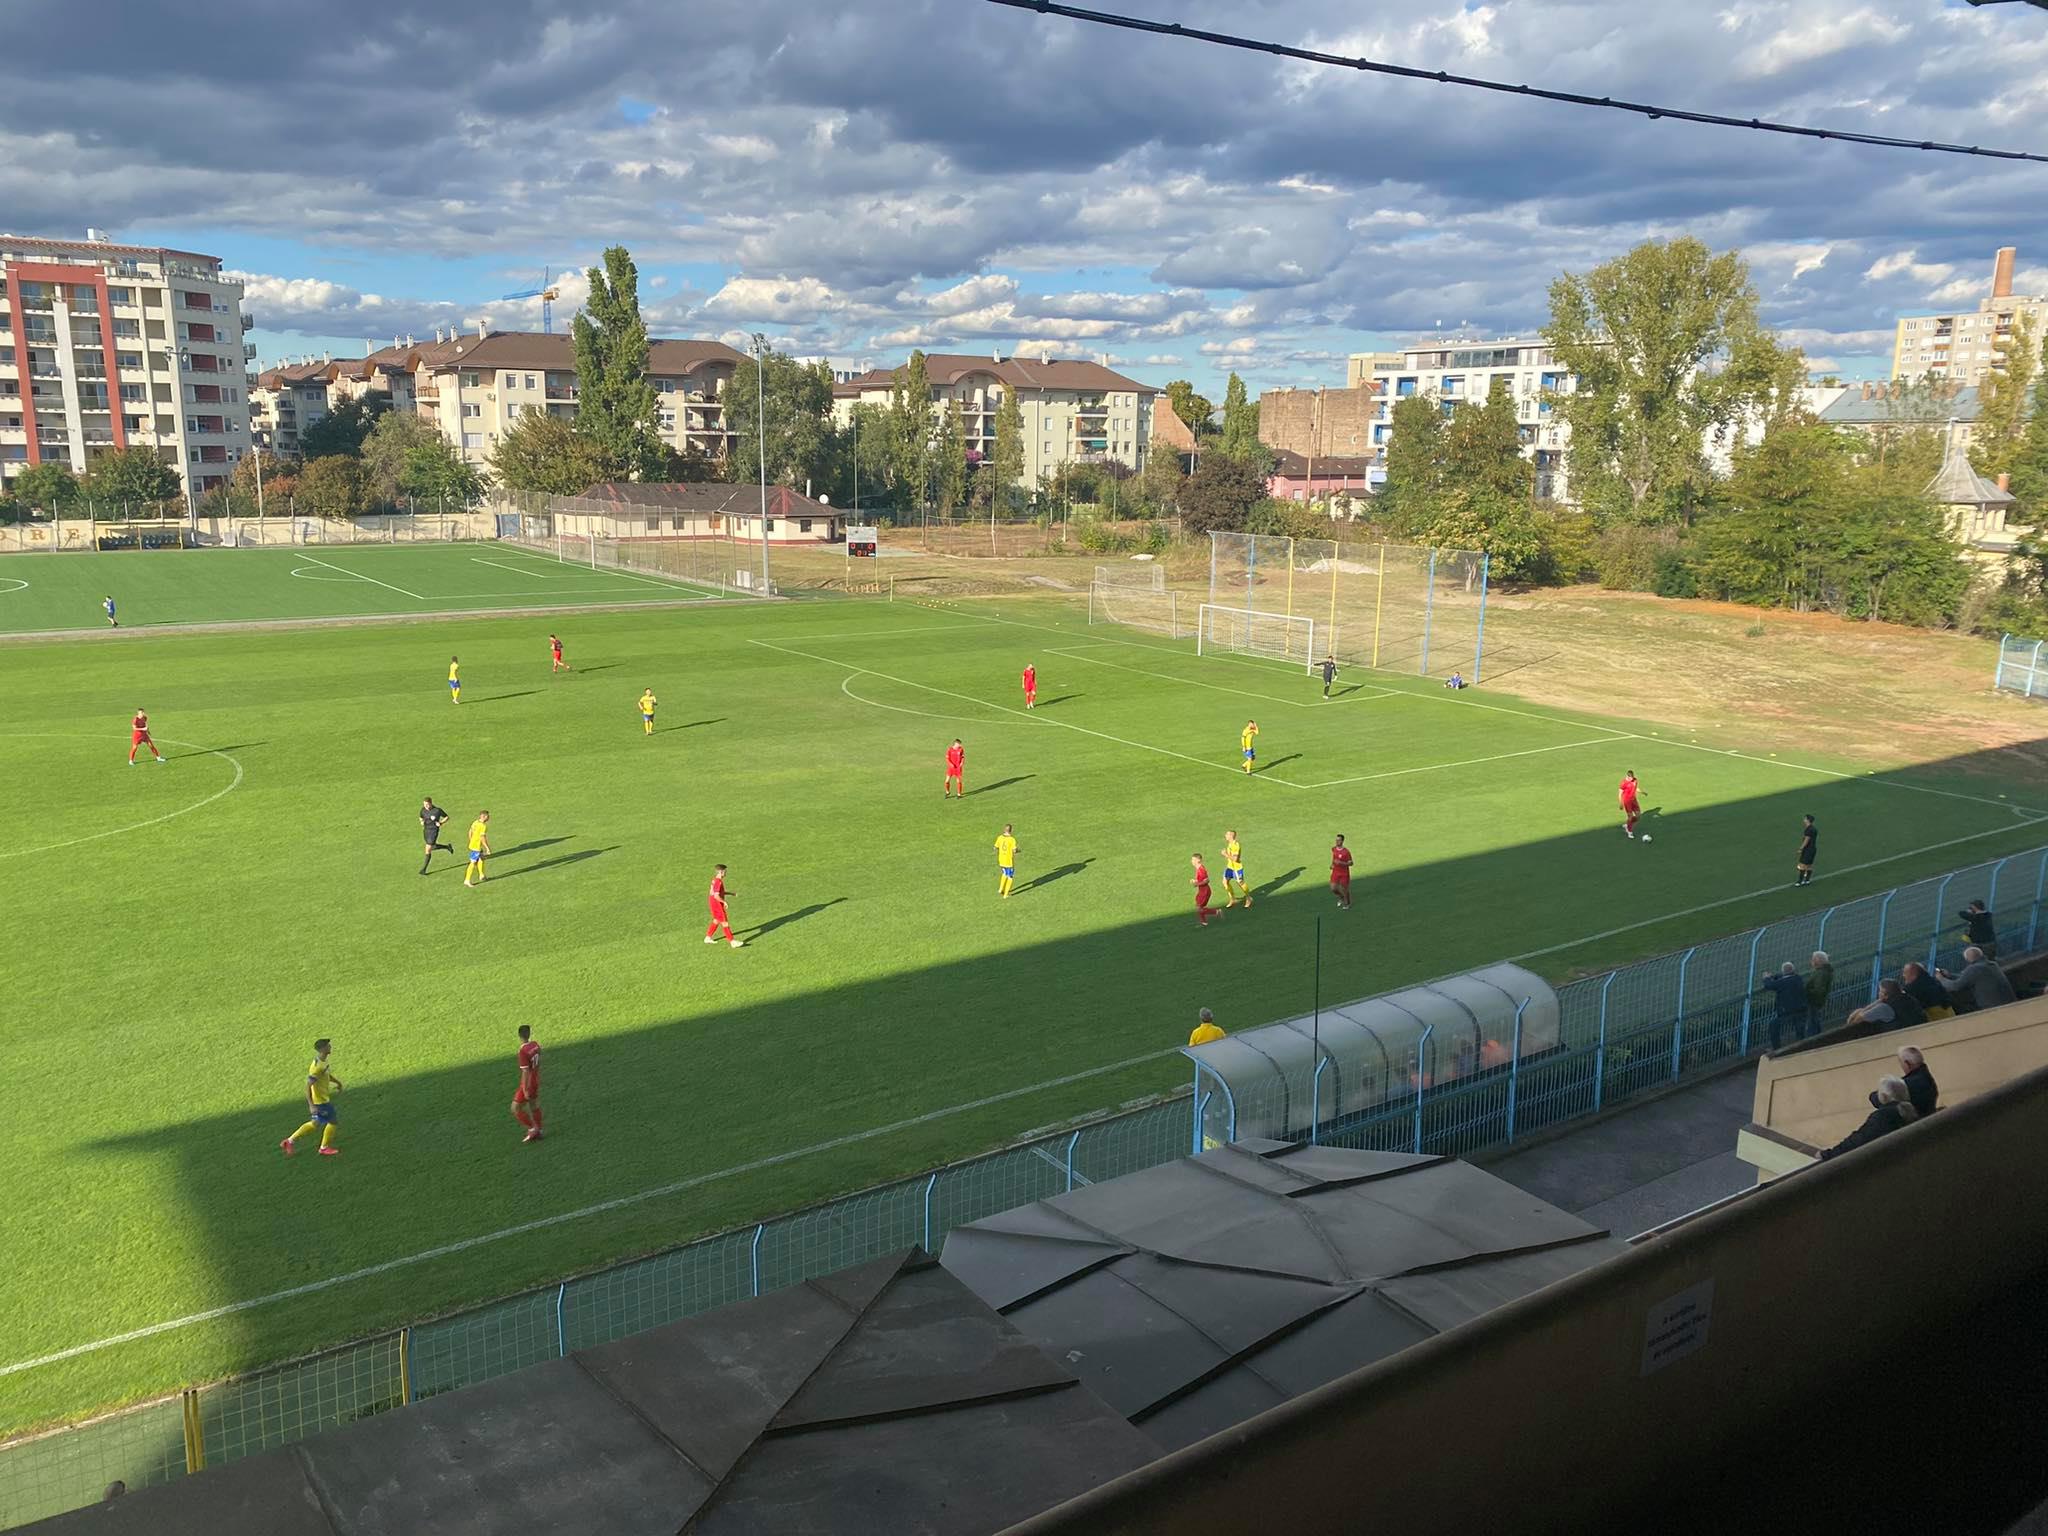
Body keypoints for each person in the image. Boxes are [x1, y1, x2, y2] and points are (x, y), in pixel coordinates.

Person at [1817, 1075, 1919, 1161]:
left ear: (1883, 1097)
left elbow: (1858, 1140)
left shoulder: (1883, 1117)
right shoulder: (1910, 1112)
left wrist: (1828, 1155)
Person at [280, 1038, 343, 1157]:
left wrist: (337, 1082)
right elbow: (308, 1086)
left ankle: (289, 1141)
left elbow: (326, 1074)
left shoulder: (323, 1061)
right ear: (322, 1049)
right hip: (320, 1101)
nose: (330, 1047)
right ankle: (324, 1148)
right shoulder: (316, 1067)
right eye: (328, 1046)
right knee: (333, 1121)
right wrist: (311, 1105)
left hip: (322, 1098)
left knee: (315, 1123)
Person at [1938, 947, 2016, 1014]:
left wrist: (1941, 979)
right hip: (2009, 1002)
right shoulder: (1992, 964)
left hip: (1994, 1007)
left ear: (1967, 959)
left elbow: (1956, 986)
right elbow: (1969, 978)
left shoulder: (1974, 969)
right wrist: (1950, 975)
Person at [1757, 962, 1808, 1051]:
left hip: (1786, 1012)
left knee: (1773, 1026)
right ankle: (1802, 1044)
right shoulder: (1798, 978)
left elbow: (1769, 985)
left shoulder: (1781, 983)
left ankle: (1776, 1048)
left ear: (1783, 972)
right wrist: (1774, 976)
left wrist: (1766, 978)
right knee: (1799, 1027)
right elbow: (1784, 976)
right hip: (1800, 1009)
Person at [1886, 1045, 1939, 1121]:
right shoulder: (1926, 1077)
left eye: (1901, 1062)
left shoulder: (1912, 1083)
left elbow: (1880, 1097)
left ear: (1907, 1063)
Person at [512, 1024, 544, 1143]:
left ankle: (532, 1129)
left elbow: (525, 1071)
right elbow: (538, 1059)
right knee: (534, 1105)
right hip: (535, 1079)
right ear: (529, 1034)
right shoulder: (535, 1045)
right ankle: (539, 1130)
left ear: (519, 1036)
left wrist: (525, 1089)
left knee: (515, 1108)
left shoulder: (522, 1051)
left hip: (528, 1083)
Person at [705, 863, 741, 946]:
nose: (726, 873)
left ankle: (708, 937)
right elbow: (716, 896)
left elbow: (719, 892)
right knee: (725, 923)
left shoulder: (715, 880)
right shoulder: (718, 882)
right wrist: (724, 902)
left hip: (713, 903)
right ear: (721, 872)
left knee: (716, 920)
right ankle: (732, 942)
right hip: (717, 904)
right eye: (725, 871)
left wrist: (731, 893)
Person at [419, 796, 451, 875]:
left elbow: (447, 817)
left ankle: (423, 869)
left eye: (427, 804)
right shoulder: (423, 810)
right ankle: (447, 847)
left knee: (428, 849)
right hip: (426, 830)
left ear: (431, 803)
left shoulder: (437, 810)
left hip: (433, 831)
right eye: (424, 804)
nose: (426, 806)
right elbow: (421, 817)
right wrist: (421, 821)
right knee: (432, 847)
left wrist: (441, 823)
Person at [1221, 830, 1250, 908]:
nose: (1225, 835)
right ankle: (1232, 899)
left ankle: (1248, 898)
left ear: (1231, 836)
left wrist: (1225, 854)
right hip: (1230, 867)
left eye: (1227, 834)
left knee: (1240, 883)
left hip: (1236, 868)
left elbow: (1235, 859)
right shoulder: (1230, 844)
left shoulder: (1235, 845)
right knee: (1225, 882)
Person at [463, 811, 491, 888]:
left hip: (473, 844)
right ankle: (467, 880)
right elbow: (482, 838)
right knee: (473, 862)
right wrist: (487, 848)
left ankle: (482, 875)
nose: (489, 818)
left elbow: (470, 832)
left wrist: (471, 840)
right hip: (476, 847)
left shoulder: (475, 822)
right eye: (488, 816)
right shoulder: (483, 826)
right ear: (484, 816)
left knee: (481, 858)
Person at [1805, 950, 1835, 1023]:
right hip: (1817, 1001)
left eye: (1813, 959)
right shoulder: (1823, 971)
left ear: (1818, 960)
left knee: (1812, 1022)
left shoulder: (1821, 973)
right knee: (1815, 1021)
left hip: (1814, 1001)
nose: (1811, 961)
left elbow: (1819, 990)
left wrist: (1806, 992)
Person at [1329, 833, 1353, 911]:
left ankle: (1347, 903)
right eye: (1336, 840)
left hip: (1344, 873)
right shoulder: (1334, 849)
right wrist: (1332, 864)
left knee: (1344, 889)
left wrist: (1341, 863)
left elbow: (1351, 863)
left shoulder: (1346, 852)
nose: (1337, 841)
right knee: (1333, 888)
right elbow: (1334, 858)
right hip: (1335, 872)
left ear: (1342, 841)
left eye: (1339, 840)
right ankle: (1341, 897)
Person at [994, 826, 1018, 899]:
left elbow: (995, 847)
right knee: (1010, 876)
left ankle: (1000, 889)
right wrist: (1018, 850)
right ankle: (1006, 894)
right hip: (1008, 861)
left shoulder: (1000, 837)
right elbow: (1014, 850)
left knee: (1004, 873)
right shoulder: (1012, 839)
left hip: (1001, 860)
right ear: (1011, 830)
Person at [1191, 853, 1215, 927]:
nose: (1192, 861)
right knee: (1198, 907)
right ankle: (1204, 922)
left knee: (1199, 908)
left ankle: (1216, 912)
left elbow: (1207, 880)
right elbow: (1202, 879)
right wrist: (1195, 881)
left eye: (1193, 860)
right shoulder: (1199, 868)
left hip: (1205, 891)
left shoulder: (1201, 869)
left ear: (1198, 860)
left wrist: (1197, 884)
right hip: (1202, 891)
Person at [1618, 770, 1642, 839]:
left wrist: (1642, 792)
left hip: (1634, 801)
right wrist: (1621, 803)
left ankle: (1628, 824)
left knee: (1638, 816)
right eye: (1631, 777)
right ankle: (1629, 831)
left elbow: (1635, 788)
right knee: (1630, 816)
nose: (1632, 779)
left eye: (1632, 777)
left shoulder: (1635, 780)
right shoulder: (1623, 783)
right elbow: (1620, 794)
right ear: (1627, 776)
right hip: (1627, 802)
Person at [1795, 815, 1817, 887]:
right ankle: (1807, 880)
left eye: (1805, 819)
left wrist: (1801, 848)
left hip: (1808, 850)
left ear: (1808, 820)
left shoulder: (1809, 829)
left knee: (1802, 866)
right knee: (1809, 865)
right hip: (1813, 849)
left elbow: (1806, 840)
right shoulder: (1813, 828)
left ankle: (1800, 881)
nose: (1803, 820)